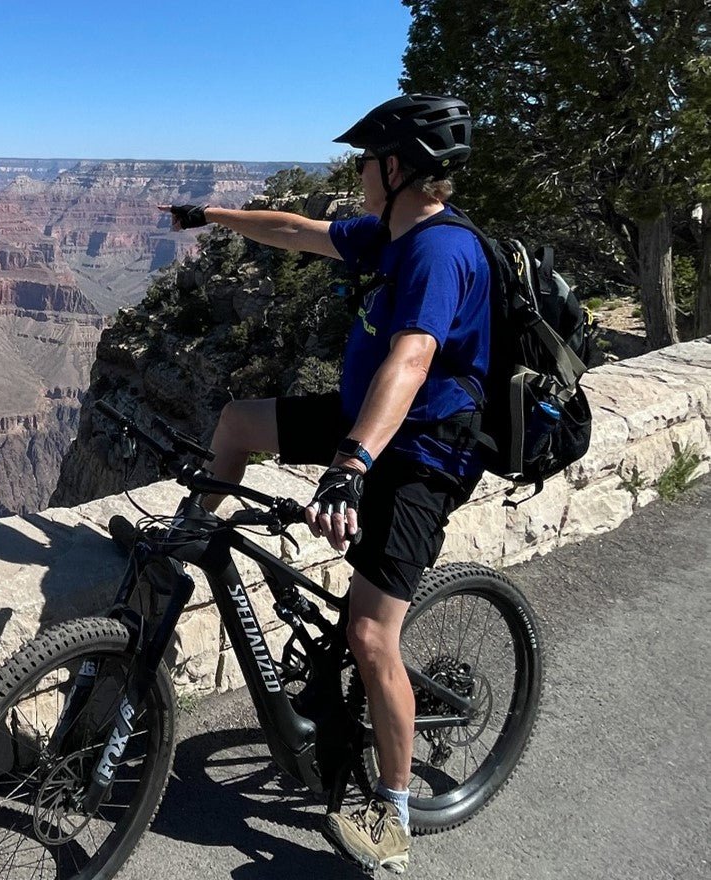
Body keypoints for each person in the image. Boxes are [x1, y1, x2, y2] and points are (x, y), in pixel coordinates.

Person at [162, 94, 489, 874]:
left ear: (399, 167)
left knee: (374, 632)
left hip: (421, 452)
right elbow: (299, 233)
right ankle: (187, 534)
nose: (356, 173)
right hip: (361, 420)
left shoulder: (440, 254)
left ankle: (394, 810)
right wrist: (213, 216)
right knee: (238, 423)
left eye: (367, 160)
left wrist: (350, 466)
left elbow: (410, 361)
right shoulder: (388, 234)